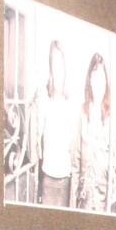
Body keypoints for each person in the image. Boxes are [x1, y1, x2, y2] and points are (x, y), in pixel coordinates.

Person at [71, 52, 116, 213]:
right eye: (94, 77)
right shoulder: (82, 114)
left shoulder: (112, 120)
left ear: (106, 82)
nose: (97, 82)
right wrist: (72, 208)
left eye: (101, 78)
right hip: (84, 202)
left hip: (103, 205)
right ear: (90, 80)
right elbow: (75, 163)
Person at [31, 41, 78, 207]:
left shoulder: (71, 103)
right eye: (54, 65)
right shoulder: (45, 97)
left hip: (66, 180)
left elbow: (75, 145)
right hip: (48, 179)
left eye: (61, 65)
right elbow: (36, 128)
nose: (58, 71)